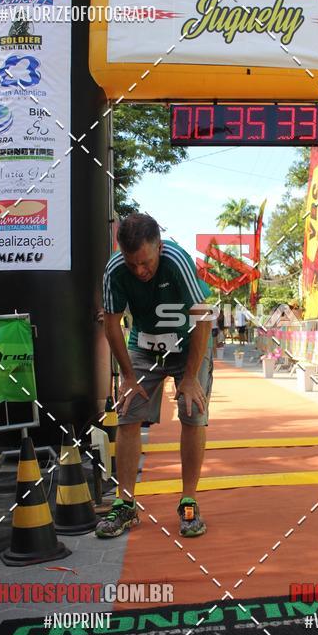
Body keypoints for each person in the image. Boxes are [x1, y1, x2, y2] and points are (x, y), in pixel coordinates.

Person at [96, 214, 213, 539]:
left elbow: (203, 318)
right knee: (128, 414)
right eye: (132, 264)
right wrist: (129, 376)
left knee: (192, 412)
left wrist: (190, 378)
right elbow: (112, 325)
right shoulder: (114, 270)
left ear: (159, 248)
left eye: (146, 263)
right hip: (145, 344)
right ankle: (126, 505)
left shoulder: (176, 259)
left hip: (189, 342)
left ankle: (189, 500)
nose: (140, 271)